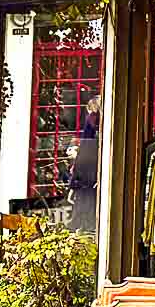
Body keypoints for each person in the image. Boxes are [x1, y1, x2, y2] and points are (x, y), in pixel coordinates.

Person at [68, 98, 101, 234]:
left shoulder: (91, 122)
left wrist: (73, 183)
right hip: (94, 172)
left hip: (87, 172)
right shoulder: (98, 123)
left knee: (84, 204)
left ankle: (82, 225)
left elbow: (85, 150)